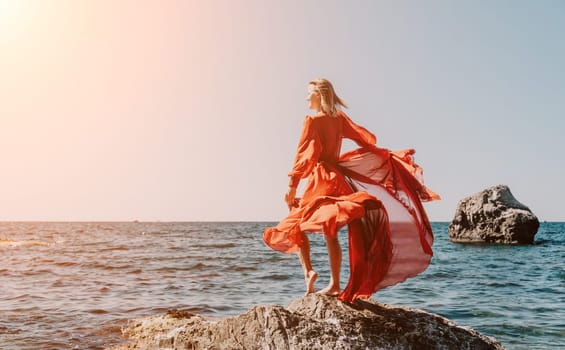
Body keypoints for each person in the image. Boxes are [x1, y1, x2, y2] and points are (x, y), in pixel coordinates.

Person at [263, 78, 440, 303]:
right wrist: (374, 156)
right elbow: (365, 139)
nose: (307, 98)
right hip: (337, 177)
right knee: (330, 229)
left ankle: (309, 271)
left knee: (295, 223)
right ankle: (334, 283)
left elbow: (304, 156)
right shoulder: (339, 120)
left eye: (309, 94)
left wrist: (292, 186)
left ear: (319, 94)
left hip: (320, 179)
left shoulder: (312, 122)